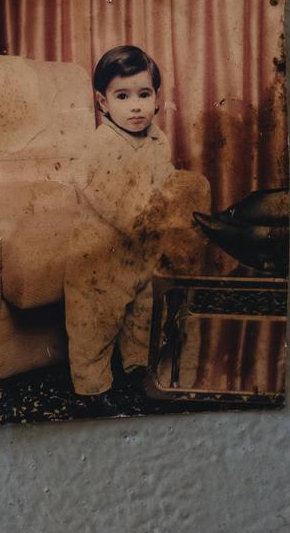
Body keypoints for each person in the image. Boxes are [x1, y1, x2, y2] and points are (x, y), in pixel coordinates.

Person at [65, 45, 205, 397]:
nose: (136, 105)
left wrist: (179, 199)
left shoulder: (157, 139)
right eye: (123, 96)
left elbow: (164, 181)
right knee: (96, 323)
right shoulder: (102, 147)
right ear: (103, 102)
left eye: (144, 94)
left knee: (143, 314)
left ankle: (135, 367)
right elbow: (115, 202)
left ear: (157, 98)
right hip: (100, 255)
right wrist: (160, 222)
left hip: (142, 251)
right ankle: (92, 390)